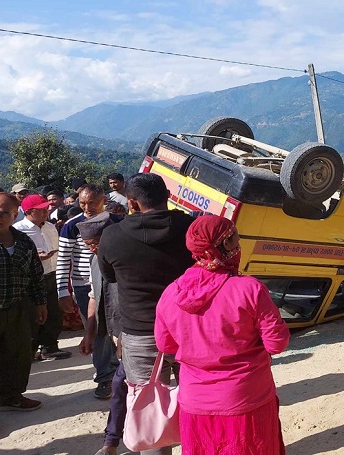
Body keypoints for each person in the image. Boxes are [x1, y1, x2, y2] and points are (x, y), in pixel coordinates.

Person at [155, 215, 290, 455]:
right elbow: (277, 343)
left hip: (196, 403)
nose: (240, 242)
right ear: (225, 244)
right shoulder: (250, 289)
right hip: (246, 400)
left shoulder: (170, 293)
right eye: (236, 236)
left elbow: (166, 345)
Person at [98, 173, 194, 455]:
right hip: (189, 330)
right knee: (198, 398)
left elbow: (109, 276)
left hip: (140, 334)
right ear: (167, 197)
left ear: (131, 203)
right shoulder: (190, 227)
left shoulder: (113, 236)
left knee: (150, 406)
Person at [0, 193, 47, 442]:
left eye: (3, 213)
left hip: (17, 308)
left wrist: (40, 302)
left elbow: (36, 274)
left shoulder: (23, 241)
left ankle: (11, 396)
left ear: (14, 214)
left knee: (17, 354)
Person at [57, 184, 119, 398]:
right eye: (82, 203)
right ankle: (104, 377)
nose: (87, 207)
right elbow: (63, 260)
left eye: (92, 202)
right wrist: (62, 291)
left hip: (114, 283)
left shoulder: (116, 222)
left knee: (116, 327)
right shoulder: (72, 226)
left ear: (103, 200)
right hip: (85, 287)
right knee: (98, 330)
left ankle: (117, 371)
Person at [76, 213, 127, 455]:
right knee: (121, 385)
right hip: (113, 334)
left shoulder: (129, 257)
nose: (94, 248)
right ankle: (114, 439)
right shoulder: (93, 260)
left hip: (133, 333)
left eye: (97, 242)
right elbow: (94, 297)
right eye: (89, 245)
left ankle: (117, 439)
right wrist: (89, 334)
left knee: (124, 386)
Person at [13, 194, 71, 360]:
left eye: (46, 209)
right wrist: (34, 258)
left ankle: (49, 346)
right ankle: (28, 351)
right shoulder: (18, 230)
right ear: (29, 211)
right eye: (41, 210)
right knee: (32, 316)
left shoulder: (50, 227)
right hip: (31, 280)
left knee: (54, 313)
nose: (46, 212)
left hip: (52, 274)